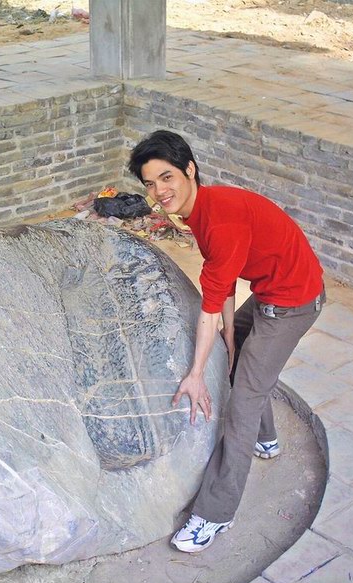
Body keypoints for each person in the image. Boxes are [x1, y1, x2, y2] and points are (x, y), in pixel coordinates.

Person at [128, 130, 325, 554]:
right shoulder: (200, 210)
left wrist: (196, 374)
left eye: (167, 178)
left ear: (190, 170)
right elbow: (226, 278)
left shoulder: (220, 220)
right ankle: (266, 438)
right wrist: (231, 335)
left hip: (293, 303)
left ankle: (215, 513)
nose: (159, 192)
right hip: (272, 292)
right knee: (233, 354)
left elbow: (208, 307)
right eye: (150, 183)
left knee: (243, 402)